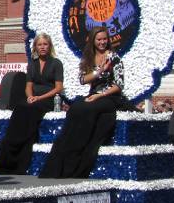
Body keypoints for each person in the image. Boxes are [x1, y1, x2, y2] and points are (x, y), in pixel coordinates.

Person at [39, 27, 124, 179]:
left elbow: (119, 85)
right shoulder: (89, 58)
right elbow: (82, 79)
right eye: (99, 39)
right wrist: (99, 71)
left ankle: (80, 160)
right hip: (93, 95)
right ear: (93, 41)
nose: (102, 42)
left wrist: (99, 96)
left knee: (88, 108)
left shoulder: (114, 57)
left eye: (105, 39)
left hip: (110, 97)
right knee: (77, 107)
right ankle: (64, 159)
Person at [0, 33, 64, 174]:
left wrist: (39, 98)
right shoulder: (32, 64)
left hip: (48, 99)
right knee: (21, 107)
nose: (43, 47)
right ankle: (9, 150)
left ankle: (21, 157)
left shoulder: (56, 63)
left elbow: (58, 88)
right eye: (40, 45)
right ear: (36, 47)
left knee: (31, 111)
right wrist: (30, 96)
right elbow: (28, 86)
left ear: (49, 46)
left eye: (45, 44)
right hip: (33, 98)